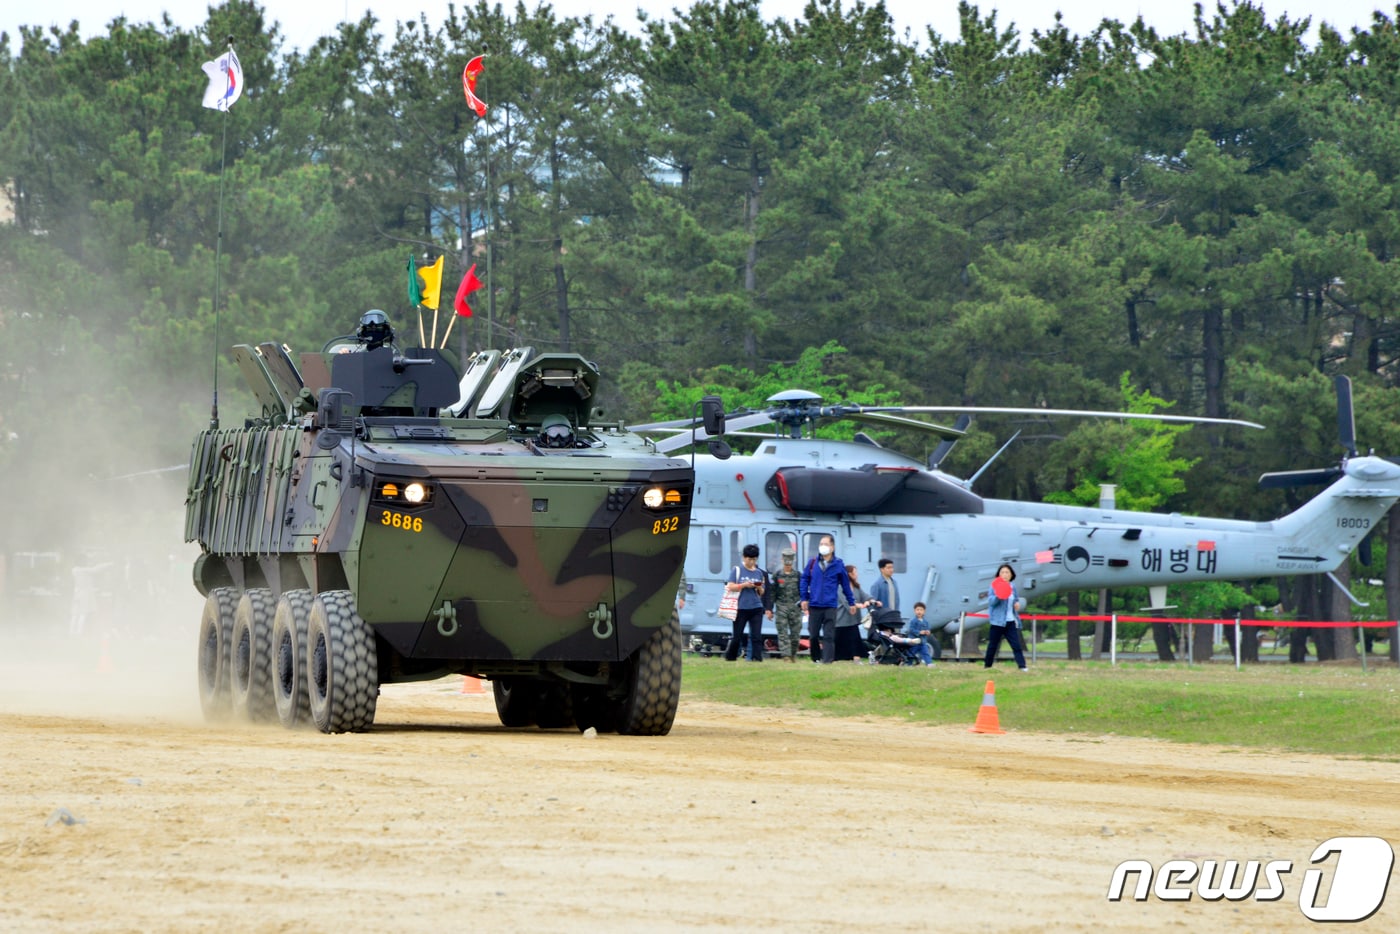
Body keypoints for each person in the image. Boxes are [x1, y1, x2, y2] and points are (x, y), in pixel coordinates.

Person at [800, 534, 857, 664]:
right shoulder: (812, 563)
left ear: (832, 547)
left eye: (825, 544)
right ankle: (815, 658)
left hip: (830, 605)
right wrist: (804, 598)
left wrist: (851, 602)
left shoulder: (838, 564)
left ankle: (827, 660)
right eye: (821, 544)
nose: (822, 547)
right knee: (813, 635)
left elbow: (845, 584)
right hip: (814, 604)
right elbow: (804, 579)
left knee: (829, 635)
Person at [724, 544, 768, 662]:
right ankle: (731, 657)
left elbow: (762, 592)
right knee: (737, 636)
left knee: (756, 636)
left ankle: (757, 658)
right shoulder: (737, 570)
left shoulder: (759, 573)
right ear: (744, 557)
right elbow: (730, 586)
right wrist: (744, 585)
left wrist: (757, 587)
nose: (751, 562)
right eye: (749, 559)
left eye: (754, 559)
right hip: (741, 607)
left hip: (756, 607)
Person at [984, 563, 1028, 671]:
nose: (1004, 574)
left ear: (1011, 574)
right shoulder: (994, 586)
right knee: (993, 645)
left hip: (1010, 621)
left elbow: (1016, 599)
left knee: (1016, 645)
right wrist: (999, 597)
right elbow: (990, 602)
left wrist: (1017, 604)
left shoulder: (1012, 586)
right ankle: (987, 666)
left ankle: (1022, 666)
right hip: (997, 621)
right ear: (999, 574)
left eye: (1007, 572)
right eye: (1002, 572)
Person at [769, 547, 803, 662]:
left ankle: (793, 654)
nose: (788, 565)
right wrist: (769, 609)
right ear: (782, 561)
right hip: (781, 607)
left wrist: (804, 604)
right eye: (786, 562)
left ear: (793, 561)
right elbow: (772, 593)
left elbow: (802, 592)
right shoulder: (777, 575)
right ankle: (786, 656)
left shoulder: (798, 576)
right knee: (782, 632)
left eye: (790, 562)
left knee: (795, 634)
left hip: (795, 607)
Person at [835, 565, 875, 661]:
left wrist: (870, 600)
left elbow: (865, 596)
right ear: (849, 574)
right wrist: (858, 605)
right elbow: (846, 602)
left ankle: (856, 658)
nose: (857, 574)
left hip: (853, 619)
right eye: (855, 572)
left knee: (854, 639)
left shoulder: (856, 587)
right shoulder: (840, 587)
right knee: (838, 640)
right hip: (841, 619)